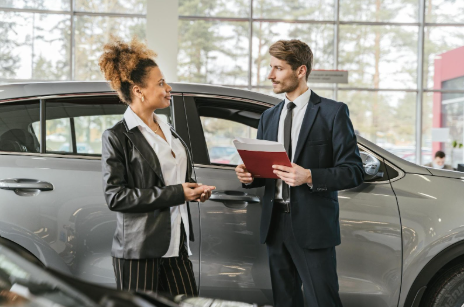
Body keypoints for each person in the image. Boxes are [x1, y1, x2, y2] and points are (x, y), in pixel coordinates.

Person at [235, 40, 364, 307]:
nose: (270, 75)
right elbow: (267, 172)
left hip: (313, 226)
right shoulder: (268, 117)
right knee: (285, 301)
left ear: (301, 70)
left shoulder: (332, 112)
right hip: (275, 225)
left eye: (278, 68)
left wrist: (309, 176)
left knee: (323, 301)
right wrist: (250, 176)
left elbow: (353, 171)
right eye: (271, 67)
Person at [99, 37, 215, 296]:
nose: (168, 88)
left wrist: (194, 191)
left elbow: (172, 178)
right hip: (139, 250)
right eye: (161, 83)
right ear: (139, 90)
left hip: (177, 243)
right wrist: (178, 193)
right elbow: (115, 197)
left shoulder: (167, 130)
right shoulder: (117, 136)